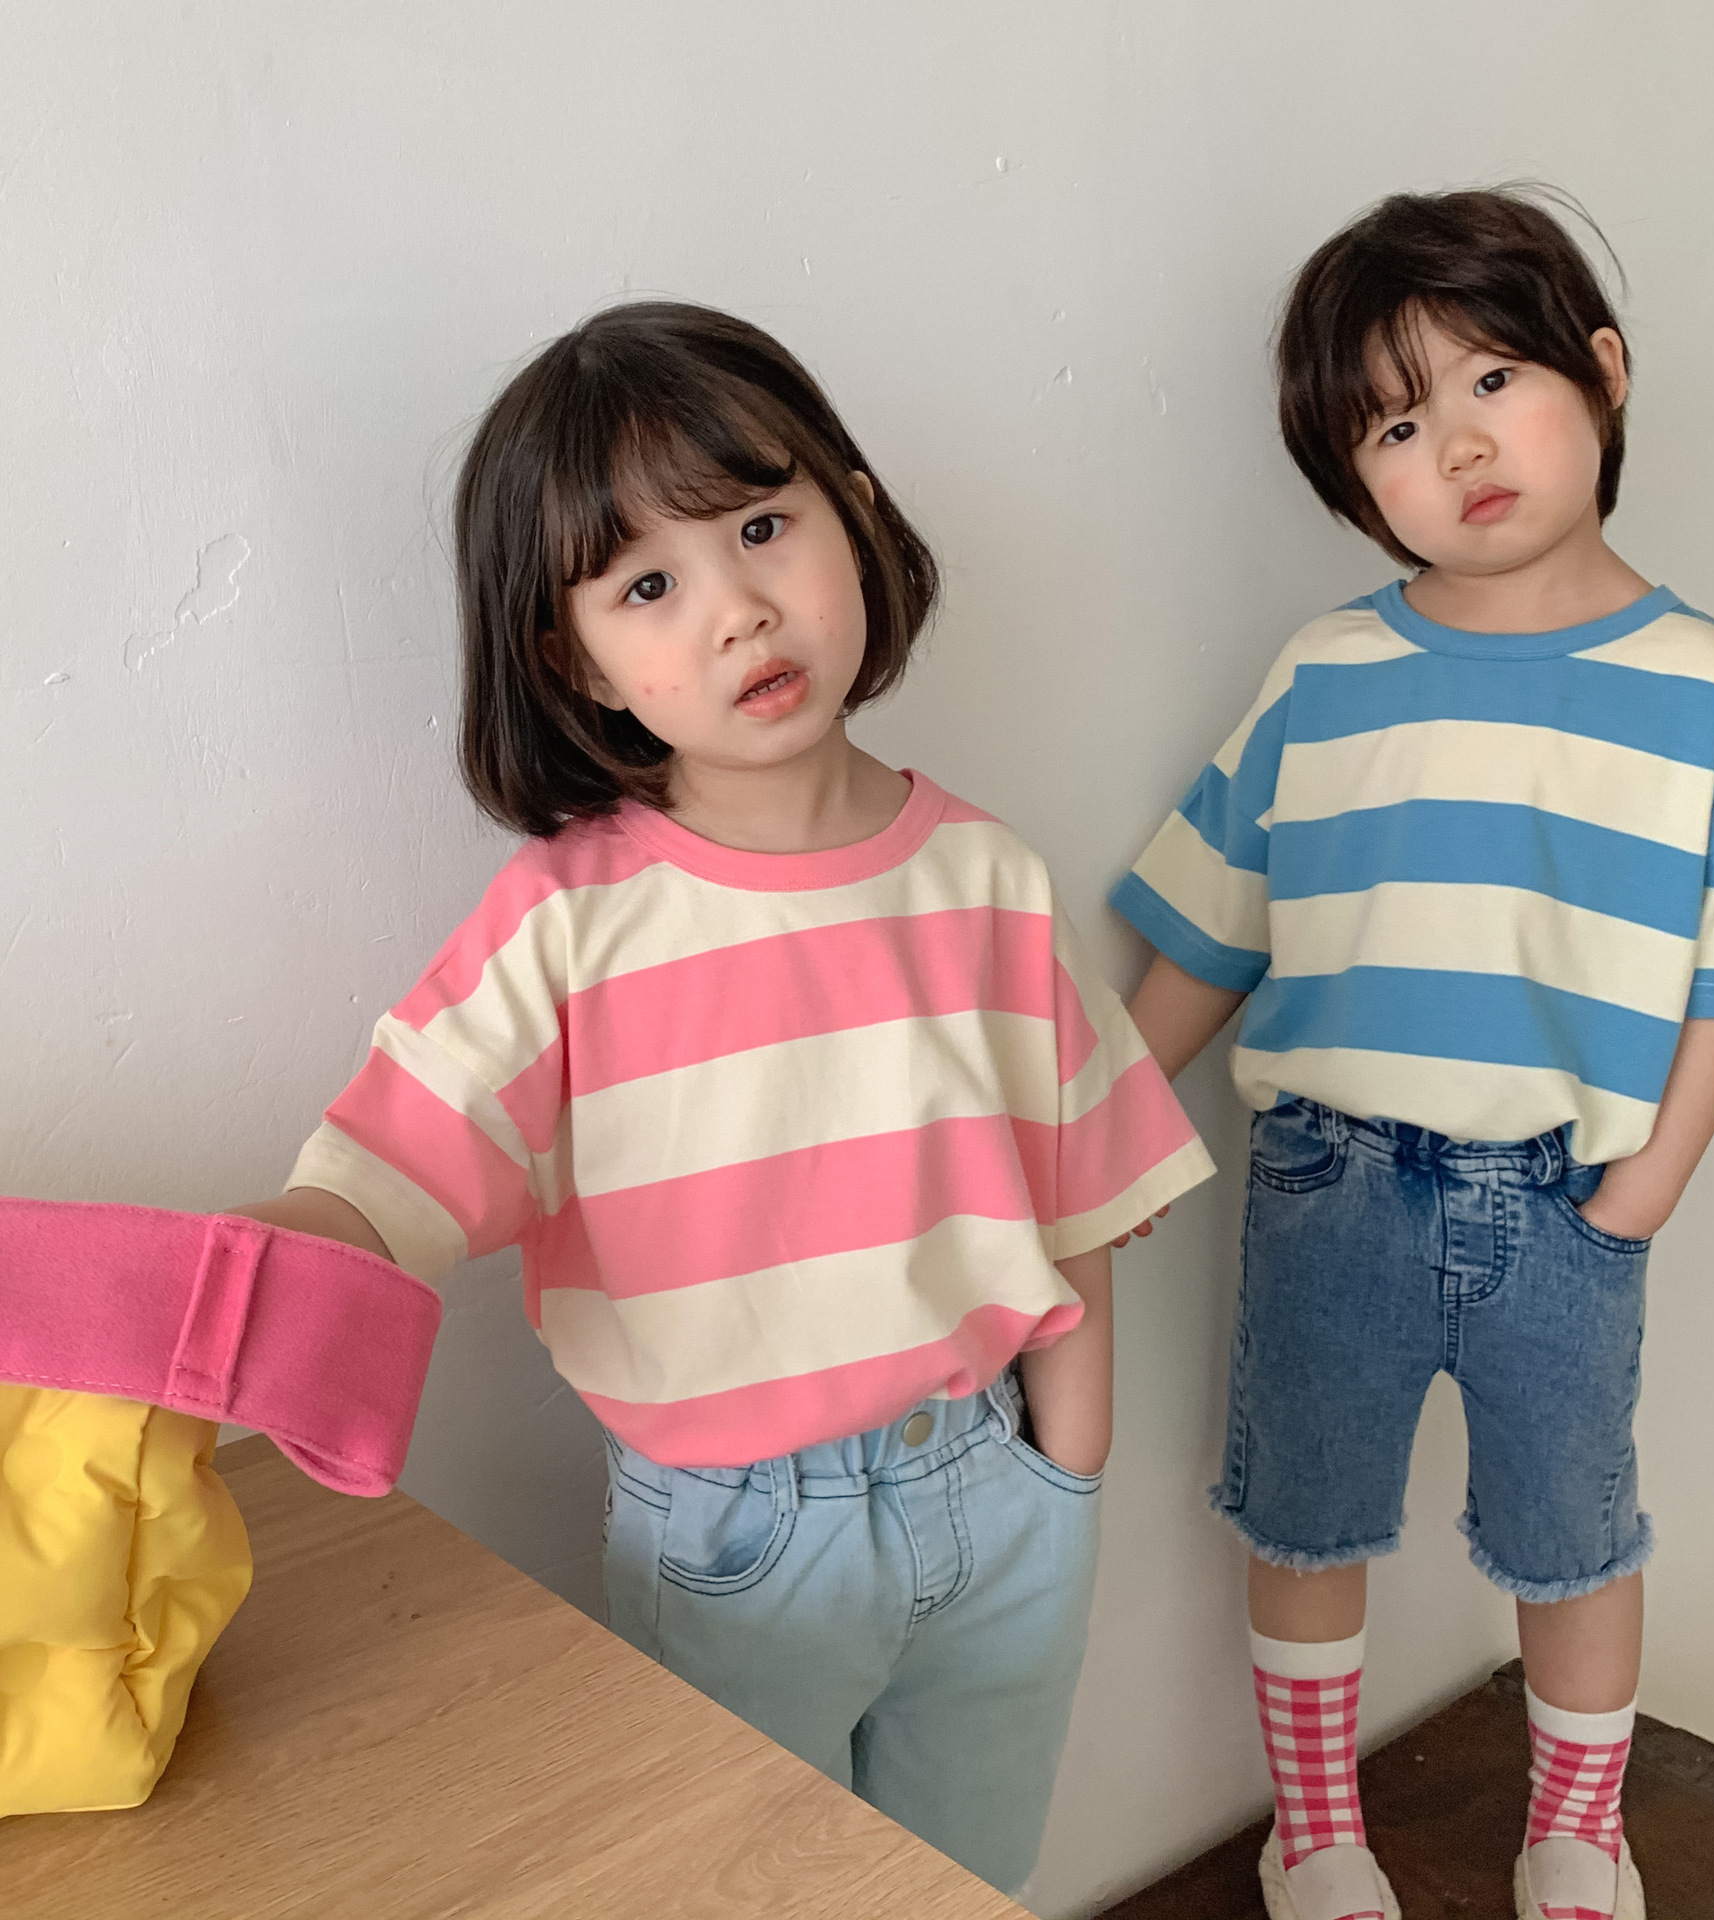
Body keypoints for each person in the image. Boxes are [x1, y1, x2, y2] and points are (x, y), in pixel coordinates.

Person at [225, 301, 1215, 1896]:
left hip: (1000, 1494)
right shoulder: (570, 926)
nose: (740, 609)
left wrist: (1067, 1473)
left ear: (857, 516)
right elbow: (382, 1182)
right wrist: (207, 1289)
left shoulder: (984, 878)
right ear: (574, 659)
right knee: (763, 1893)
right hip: (738, 1547)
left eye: (762, 527)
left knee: (971, 1885)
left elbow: (1080, 1197)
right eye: (649, 585)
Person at [1109, 190, 1714, 1920]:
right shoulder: (1324, 673)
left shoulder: (1700, 683)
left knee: (1573, 1535)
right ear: (1350, 478)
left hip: (1567, 1205)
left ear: (1601, 375)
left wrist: (1647, 1187)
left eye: (1492, 381)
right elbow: (1217, 929)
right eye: (1394, 425)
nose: (1456, 445)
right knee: (1304, 1521)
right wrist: (1101, 1132)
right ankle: (1314, 1831)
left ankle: (1579, 1830)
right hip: (1327, 1185)